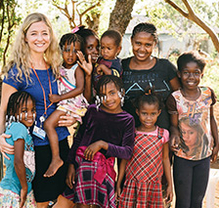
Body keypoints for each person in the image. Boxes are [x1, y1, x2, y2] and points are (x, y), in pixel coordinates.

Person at [0, 13, 76, 208]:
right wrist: (0, 136)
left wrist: (73, 119)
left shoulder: (57, 66)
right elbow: (3, 108)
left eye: (44, 33)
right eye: (34, 33)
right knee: (40, 201)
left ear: (50, 36)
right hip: (35, 146)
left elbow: (70, 99)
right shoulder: (17, 71)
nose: (40, 38)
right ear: (25, 37)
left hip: (60, 141)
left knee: (67, 199)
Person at [57, 75, 135, 208]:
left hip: (104, 173)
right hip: (82, 168)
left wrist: (102, 144)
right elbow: (79, 138)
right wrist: (71, 165)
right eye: (103, 95)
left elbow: (127, 152)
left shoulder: (127, 120)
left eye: (112, 93)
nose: (108, 99)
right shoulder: (93, 111)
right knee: (79, 205)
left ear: (121, 92)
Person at [167, 51, 219, 208]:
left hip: (204, 157)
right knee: (183, 202)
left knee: (197, 201)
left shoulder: (207, 94)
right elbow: (174, 126)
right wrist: (174, 136)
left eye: (196, 73)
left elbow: (211, 118)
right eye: (186, 73)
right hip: (183, 158)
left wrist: (217, 143)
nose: (191, 77)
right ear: (179, 74)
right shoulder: (175, 98)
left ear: (202, 74)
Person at [117, 89, 173, 207]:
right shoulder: (132, 134)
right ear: (137, 112)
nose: (148, 118)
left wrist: (169, 184)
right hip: (132, 185)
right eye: (144, 113)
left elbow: (166, 159)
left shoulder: (163, 134)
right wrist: (119, 182)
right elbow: (124, 159)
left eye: (153, 114)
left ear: (159, 112)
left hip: (153, 185)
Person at [43, 33, 89, 178]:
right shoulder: (58, 66)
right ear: (60, 50)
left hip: (71, 103)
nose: (70, 54)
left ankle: (56, 158)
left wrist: (59, 98)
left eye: (75, 51)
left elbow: (80, 89)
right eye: (67, 50)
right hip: (64, 103)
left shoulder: (77, 68)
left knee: (48, 124)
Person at [121, 22, 180, 129]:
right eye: (138, 43)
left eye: (147, 45)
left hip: (162, 136)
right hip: (128, 135)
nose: (142, 49)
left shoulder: (166, 67)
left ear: (155, 43)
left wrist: (175, 129)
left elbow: (179, 99)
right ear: (131, 41)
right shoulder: (121, 66)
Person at [0, 91, 36, 208]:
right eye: (24, 111)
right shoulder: (19, 128)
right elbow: (18, 161)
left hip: (21, 188)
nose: (30, 115)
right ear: (12, 112)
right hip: (14, 190)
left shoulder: (21, 128)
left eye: (33, 110)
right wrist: (24, 188)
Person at [73, 26, 100, 103]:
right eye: (90, 47)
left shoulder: (100, 67)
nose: (96, 51)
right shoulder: (74, 70)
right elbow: (86, 102)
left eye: (97, 47)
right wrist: (88, 75)